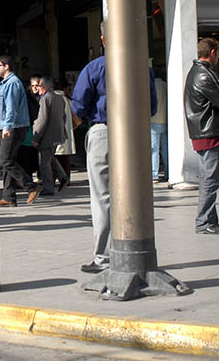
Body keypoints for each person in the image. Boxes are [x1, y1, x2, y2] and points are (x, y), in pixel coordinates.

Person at [72, 22, 157, 272]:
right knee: (135, 192)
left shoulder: (95, 67)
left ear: (102, 38)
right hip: (135, 133)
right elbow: (152, 105)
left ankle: (105, 257)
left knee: (102, 197)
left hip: (104, 131)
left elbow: (79, 106)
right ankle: (138, 249)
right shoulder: (143, 66)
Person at [184, 38, 219, 235]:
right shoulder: (205, 74)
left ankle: (210, 220)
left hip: (202, 131)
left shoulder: (195, 72)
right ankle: (204, 222)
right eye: (218, 52)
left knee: (209, 176)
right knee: (211, 178)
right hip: (209, 131)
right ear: (213, 52)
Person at [0, 55, 33, 207]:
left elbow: (11, 107)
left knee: (5, 160)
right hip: (10, 126)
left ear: (6, 66)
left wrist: (7, 126)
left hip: (13, 127)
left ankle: (31, 186)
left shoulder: (12, 83)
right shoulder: (5, 83)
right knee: (9, 160)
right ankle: (8, 197)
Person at [32, 76, 69, 196]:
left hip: (47, 136)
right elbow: (64, 117)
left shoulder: (45, 99)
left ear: (46, 87)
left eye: (40, 86)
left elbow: (42, 120)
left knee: (44, 163)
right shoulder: (59, 98)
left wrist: (36, 137)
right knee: (50, 158)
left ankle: (48, 188)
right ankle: (63, 177)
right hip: (57, 134)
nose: (38, 88)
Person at [151, 73, 169, 183]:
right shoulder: (165, 85)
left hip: (153, 121)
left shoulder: (151, 85)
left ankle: (154, 175)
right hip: (166, 121)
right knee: (165, 149)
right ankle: (168, 173)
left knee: (154, 150)